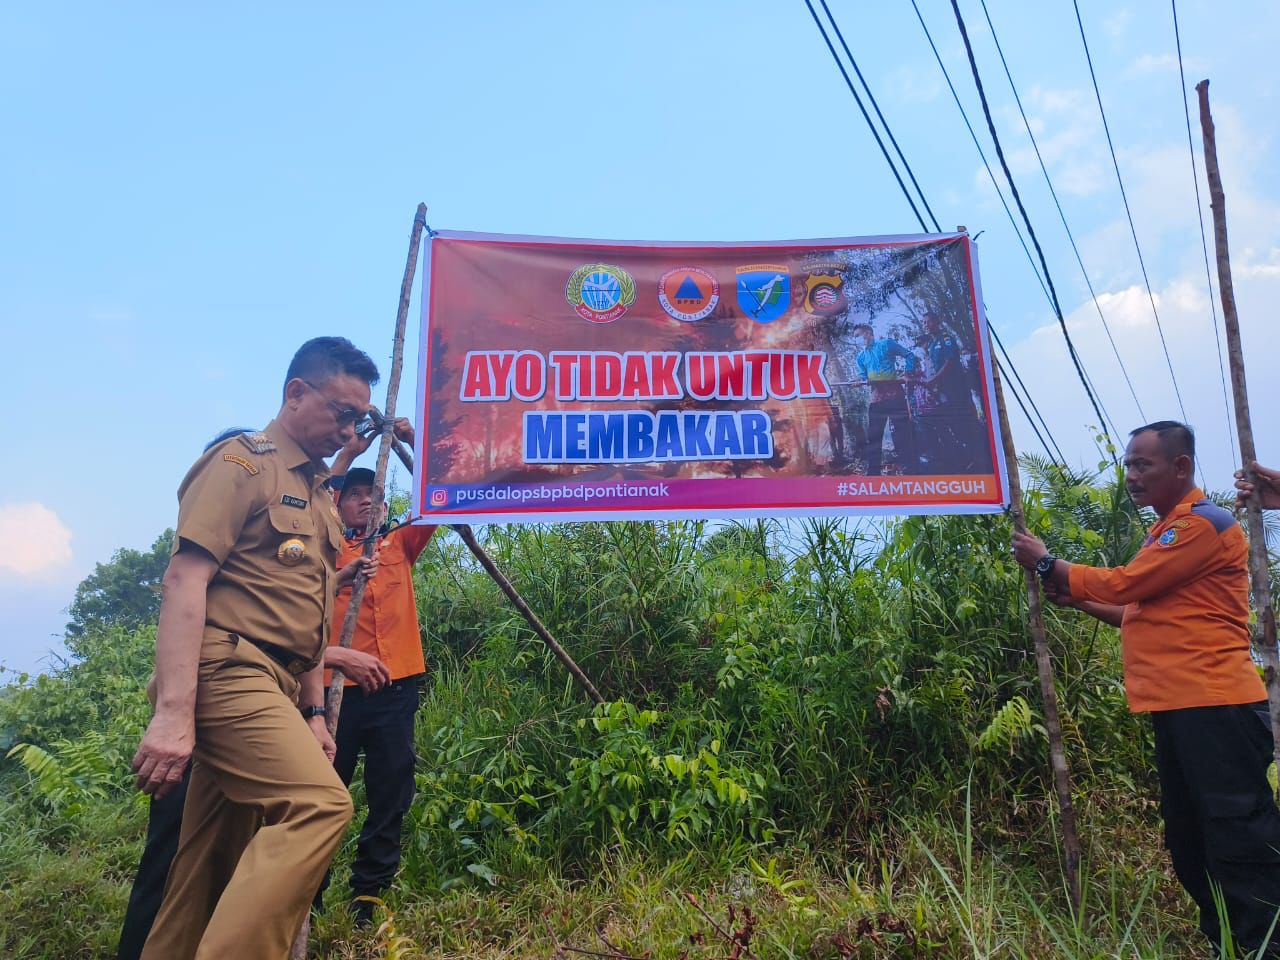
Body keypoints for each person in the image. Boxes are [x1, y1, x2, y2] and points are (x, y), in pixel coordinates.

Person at [131, 336, 383, 960]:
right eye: (342, 413)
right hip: (226, 668)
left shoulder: (320, 495)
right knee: (320, 807)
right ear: (296, 393)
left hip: (274, 679)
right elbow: (185, 578)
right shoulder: (242, 464)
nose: (349, 429)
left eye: (360, 419)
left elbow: (303, 625)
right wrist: (172, 711)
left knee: (211, 863)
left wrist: (313, 712)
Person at [1012, 421, 1280, 956]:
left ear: (1180, 468)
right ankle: (1228, 940)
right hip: (1183, 708)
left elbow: (1127, 584)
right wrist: (1077, 598)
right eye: (1129, 464)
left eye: (1143, 464)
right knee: (1189, 839)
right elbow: (1136, 611)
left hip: (1216, 705)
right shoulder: (1164, 533)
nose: (1131, 475)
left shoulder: (1202, 525)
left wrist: (1048, 563)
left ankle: (1264, 945)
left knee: (1236, 836)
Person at [319, 421, 437, 925]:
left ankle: (368, 899)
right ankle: (306, 894)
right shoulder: (322, 554)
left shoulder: (400, 547)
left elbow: (442, 497)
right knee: (322, 794)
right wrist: (346, 455)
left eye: (376, 496)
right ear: (340, 505)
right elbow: (310, 497)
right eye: (357, 496)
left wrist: (415, 442)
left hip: (396, 690)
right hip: (333, 694)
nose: (368, 503)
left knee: (390, 793)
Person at [917, 312, 985, 473]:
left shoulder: (946, 339)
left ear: (937, 321)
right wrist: (933, 388)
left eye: (928, 321)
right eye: (923, 322)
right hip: (943, 394)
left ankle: (980, 459)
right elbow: (934, 367)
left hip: (957, 389)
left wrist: (933, 381)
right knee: (954, 426)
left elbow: (950, 362)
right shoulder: (932, 344)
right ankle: (968, 459)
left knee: (966, 423)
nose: (925, 325)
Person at [852, 322, 918, 476]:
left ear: (868, 333)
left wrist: (908, 372)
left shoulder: (887, 344)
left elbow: (910, 355)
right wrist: (857, 380)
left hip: (895, 397)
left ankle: (910, 470)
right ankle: (873, 473)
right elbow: (863, 375)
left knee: (902, 436)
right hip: (876, 401)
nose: (857, 340)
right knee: (874, 438)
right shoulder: (861, 357)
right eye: (855, 338)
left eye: (858, 336)